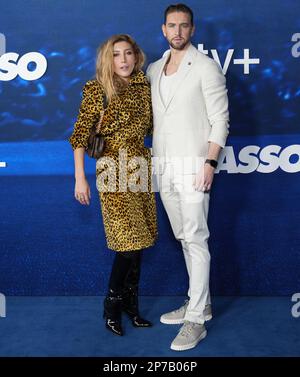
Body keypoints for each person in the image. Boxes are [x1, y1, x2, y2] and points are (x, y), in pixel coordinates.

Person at [147, 4, 229, 351]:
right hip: (163, 168)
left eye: (183, 26)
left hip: (195, 168)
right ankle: (202, 303)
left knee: (195, 238)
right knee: (183, 237)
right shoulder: (152, 69)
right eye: (171, 26)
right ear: (164, 30)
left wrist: (209, 163)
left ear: (192, 30)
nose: (177, 31)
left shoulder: (207, 68)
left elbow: (220, 120)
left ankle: (195, 319)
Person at [69, 34, 157, 336]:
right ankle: (111, 307)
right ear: (108, 59)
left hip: (141, 167)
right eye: (117, 54)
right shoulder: (97, 89)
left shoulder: (144, 86)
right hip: (112, 170)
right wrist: (80, 178)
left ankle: (132, 308)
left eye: (128, 53)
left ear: (137, 56)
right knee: (128, 243)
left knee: (140, 242)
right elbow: (80, 136)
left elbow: (156, 126)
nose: (123, 60)